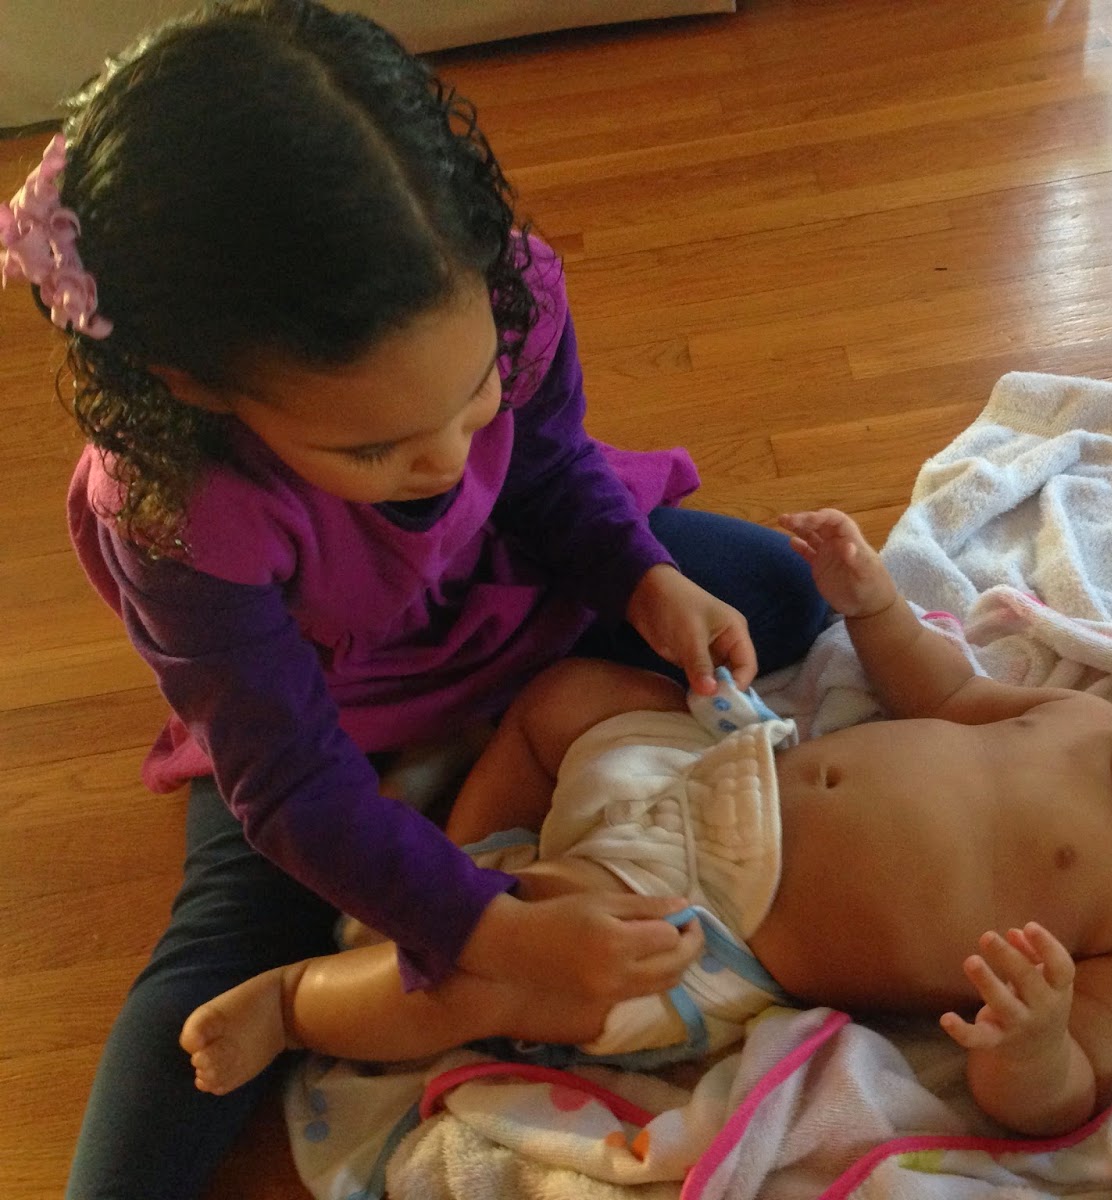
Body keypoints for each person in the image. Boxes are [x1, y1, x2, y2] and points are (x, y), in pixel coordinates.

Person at [1, 2, 831, 1197]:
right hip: (321, 704)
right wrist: (493, 929)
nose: (446, 458)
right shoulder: (174, 510)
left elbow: (547, 471)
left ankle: (491, 742)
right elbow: (291, 781)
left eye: (474, 394)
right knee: (225, 940)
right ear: (197, 386)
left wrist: (642, 580)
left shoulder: (506, 288)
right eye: (376, 448)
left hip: (506, 594)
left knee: (776, 594)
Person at [180, 508, 1112, 1137]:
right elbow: (949, 693)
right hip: (729, 765)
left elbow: (1052, 1101)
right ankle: (480, 860)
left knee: (503, 980)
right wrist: (873, 609)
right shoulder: (1084, 723)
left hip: (708, 933)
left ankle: (307, 1001)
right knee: (568, 700)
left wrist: (1034, 1043)